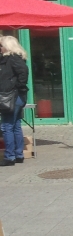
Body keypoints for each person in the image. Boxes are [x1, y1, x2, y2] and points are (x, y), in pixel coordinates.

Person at [0, 36, 29, 167]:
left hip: (12, 96)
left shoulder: (12, 59)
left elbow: (23, 73)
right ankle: (18, 154)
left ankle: (10, 156)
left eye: (1, 45)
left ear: (7, 46)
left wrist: (16, 87)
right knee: (15, 125)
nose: (0, 48)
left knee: (7, 126)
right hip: (14, 95)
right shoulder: (12, 58)